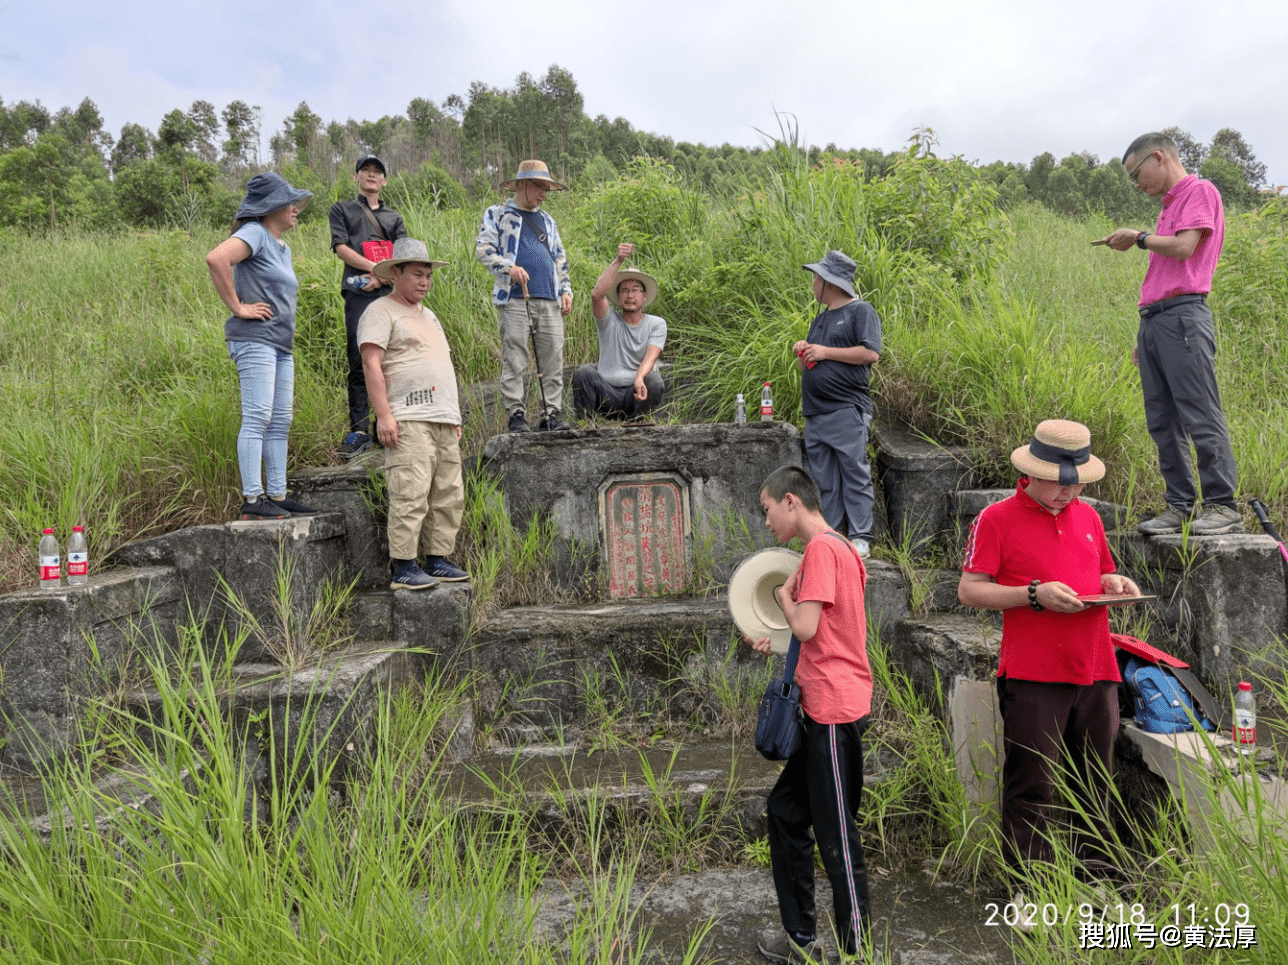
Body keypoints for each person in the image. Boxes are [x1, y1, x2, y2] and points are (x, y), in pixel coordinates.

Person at [957, 420, 1140, 896]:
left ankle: (1096, 882)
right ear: (1031, 473)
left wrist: (1114, 584)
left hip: (1097, 667)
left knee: (1096, 780)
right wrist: (1033, 594)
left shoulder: (1089, 517)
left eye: (1077, 481)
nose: (1068, 491)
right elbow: (970, 591)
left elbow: (1102, 572)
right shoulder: (995, 519)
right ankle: (1027, 890)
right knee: (1031, 784)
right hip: (1033, 673)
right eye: (1060, 482)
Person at [745, 465, 874, 964]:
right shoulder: (837, 547)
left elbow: (804, 626)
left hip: (836, 712)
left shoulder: (820, 549)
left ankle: (858, 953)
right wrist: (775, 637)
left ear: (792, 501)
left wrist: (782, 598)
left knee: (837, 834)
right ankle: (801, 940)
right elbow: (821, 632)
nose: (768, 520)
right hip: (824, 707)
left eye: (768, 509)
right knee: (785, 812)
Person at [1096, 132, 1241, 536]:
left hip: (1183, 317)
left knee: (1199, 411)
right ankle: (1179, 505)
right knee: (1162, 418)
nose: (1136, 184)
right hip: (1157, 321)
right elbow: (1164, 272)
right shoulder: (1168, 206)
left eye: (1137, 174)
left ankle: (1222, 505)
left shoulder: (1199, 190)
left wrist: (1138, 238)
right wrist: (1146, 334)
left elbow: (1184, 248)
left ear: (1159, 158)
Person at [358, 238, 470, 590]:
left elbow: (441, 365)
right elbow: (370, 363)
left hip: (442, 418)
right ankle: (404, 566)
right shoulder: (380, 310)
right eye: (417, 275)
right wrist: (384, 416)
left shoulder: (430, 315)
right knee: (411, 492)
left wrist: (454, 416)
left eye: (428, 276)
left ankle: (437, 560)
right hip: (407, 416)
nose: (424, 282)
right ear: (396, 273)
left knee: (448, 494)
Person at [206, 172, 319, 520]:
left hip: (280, 343)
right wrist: (238, 307)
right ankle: (253, 500)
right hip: (254, 339)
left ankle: (277, 494)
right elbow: (216, 258)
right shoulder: (255, 232)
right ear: (271, 207)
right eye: (290, 202)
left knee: (280, 419)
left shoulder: (282, 246)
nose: (296, 208)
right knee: (258, 416)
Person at [794, 251, 882, 559]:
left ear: (828, 282)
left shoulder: (861, 311)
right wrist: (806, 350)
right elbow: (816, 359)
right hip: (816, 412)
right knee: (825, 480)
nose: (813, 284)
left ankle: (860, 537)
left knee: (854, 473)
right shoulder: (820, 319)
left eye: (816, 278)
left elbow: (871, 353)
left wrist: (825, 352)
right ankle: (831, 536)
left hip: (846, 409)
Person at [475, 159, 573, 433]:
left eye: (547, 189)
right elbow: (484, 250)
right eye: (540, 187)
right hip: (515, 298)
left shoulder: (548, 221)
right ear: (523, 184)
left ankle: (550, 414)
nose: (544, 194)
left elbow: (560, 259)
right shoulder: (497, 213)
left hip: (549, 298)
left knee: (553, 357)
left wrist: (565, 290)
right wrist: (509, 267)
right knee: (515, 357)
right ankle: (516, 414)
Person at [329, 154, 408, 460]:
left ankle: (387, 423)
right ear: (357, 177)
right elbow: (341, 248)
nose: (372, 175)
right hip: (358, 293)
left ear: (384, 181)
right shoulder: (342, 209)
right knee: (361, 357)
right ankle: (360, 430)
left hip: (389, 294)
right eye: (366, 171)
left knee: (391, 359)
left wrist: (381, 275)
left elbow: (402, 254)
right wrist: (375, 268)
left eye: (378, 172)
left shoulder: (394, 218)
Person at [572, 243, 667, 421]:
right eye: (624, 290)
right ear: (617, 296)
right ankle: (586, 425)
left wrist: (639, 379)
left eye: (635, 290)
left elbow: (651, 357)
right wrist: (618, 260)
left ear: (644, 296)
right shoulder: (609, 320)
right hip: (607, 395)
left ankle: (638, 422)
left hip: (636, 393)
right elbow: (597, 295)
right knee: (583, 374)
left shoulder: (657, 323)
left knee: (654, 381)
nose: (630, 295)